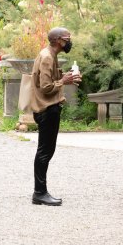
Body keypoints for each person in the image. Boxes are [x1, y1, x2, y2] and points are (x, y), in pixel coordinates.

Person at [30, 27, 81, 206]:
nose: (70, 40)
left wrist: (64, 76)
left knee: (46, 151)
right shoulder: (47, 57)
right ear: (59, 40)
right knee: (44, 152)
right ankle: (39, 193)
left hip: (49, 108)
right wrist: (63, 81)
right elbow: (45, 87)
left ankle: (40, 192)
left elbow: (48, 79)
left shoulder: (50, 54)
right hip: (47, 109)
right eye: (68, 38)